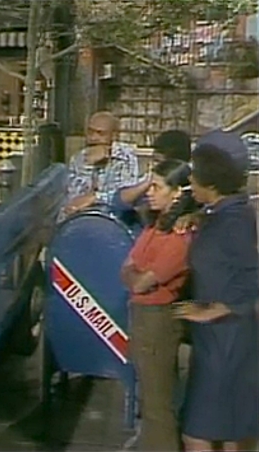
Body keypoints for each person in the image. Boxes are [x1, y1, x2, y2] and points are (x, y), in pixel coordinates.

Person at [174, 130, 259, 452]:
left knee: (199, 432)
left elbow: (252, 276)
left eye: (194, 175)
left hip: (228, 341)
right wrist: (197, 218)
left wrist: (215, 309)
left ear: (211, 183)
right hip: (216, 341)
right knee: (230, 428)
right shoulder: (224, 213)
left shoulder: (233, 222)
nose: (189, 181)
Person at [120, 159, 197, 451]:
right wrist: (134, 275)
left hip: (158, 321)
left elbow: (140, 282)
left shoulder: (180, 239)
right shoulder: (155, 226)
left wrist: (135, 275)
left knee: (158, 406)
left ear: (177, 192)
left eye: (157, 186)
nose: (149, 192)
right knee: (149, 400)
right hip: (141, 317)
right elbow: (126, 268)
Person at [63, 111, 139, 215]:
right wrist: (88, 165)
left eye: (100, 133)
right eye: (90, 132)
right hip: (82, 217)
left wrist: (95, 198)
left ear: (114, 135)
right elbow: (75, 200)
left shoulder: (126, 156)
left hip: (113, 217)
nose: (93, 138)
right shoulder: (78, 158)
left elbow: (123, 197)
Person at [112, 129, 192, 216]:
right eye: (154, 160)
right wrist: (147, 183)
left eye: (157, 161)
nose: (153, 165)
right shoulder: (149, 179)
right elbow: (118, 202)